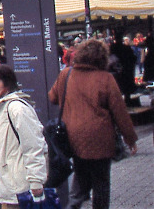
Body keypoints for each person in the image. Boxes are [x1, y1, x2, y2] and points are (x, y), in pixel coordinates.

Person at [48, 38, 138, 209]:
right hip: (101, 141)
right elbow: (120, 112)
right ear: (102, 58)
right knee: (101, 185)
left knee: (80, 180)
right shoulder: (105, 78)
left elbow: (52, 97)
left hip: (73, 138)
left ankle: (72, 206)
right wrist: (130, 139)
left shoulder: (66, 74)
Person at [0, 64, 46, 209]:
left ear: (7, 83)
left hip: (21, 187)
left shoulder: (17, 109)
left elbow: (34, 146)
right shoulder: (2, 108)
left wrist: (36, 181)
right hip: (11, 187)